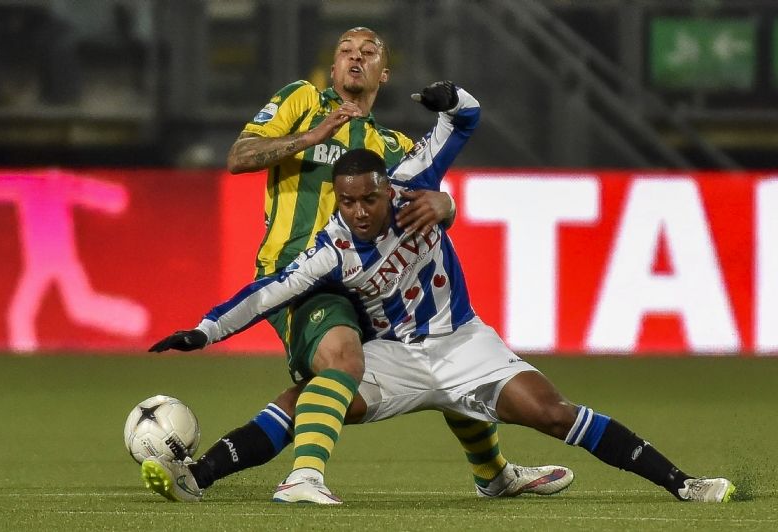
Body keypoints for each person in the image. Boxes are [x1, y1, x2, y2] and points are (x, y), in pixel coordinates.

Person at [145, 84, 735, 505]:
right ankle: (201, 475)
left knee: (554, 414)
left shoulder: (414, 187)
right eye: (347, 203)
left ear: (386, 189)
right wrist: (205, 330)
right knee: (312, 395)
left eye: (367, 200)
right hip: (394, 356)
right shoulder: (332, 248)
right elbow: (267, 293)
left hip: (463, 343)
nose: (358, 212)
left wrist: (450, 98)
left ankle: (683, 483)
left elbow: (465, 121)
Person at [147, 27, 555, 502]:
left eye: (367, 52)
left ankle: (494, 474)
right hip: (302, 279)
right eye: (345, 51)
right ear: (333, 66)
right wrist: (313, 136)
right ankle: (302, 478)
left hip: (367, 287)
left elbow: (425, 206)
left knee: (439, 353)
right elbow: (239, 157)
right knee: (342, 357)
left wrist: (448, 206)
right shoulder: (302, 100)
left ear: (384, 73)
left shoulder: (392, 146)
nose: (355, 58)